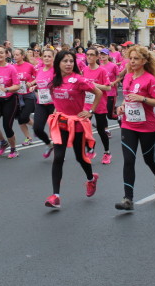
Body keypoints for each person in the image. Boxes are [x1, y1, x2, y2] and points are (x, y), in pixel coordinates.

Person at [44, 50, 102, 209]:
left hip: (77, 124)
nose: (69, 64)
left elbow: (98, 92)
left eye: (71, 61)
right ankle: (56, 196)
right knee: (58, 157)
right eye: (65, 61)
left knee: (80, 157)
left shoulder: (79, 80)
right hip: (61, 124)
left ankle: (91, 179)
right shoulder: (54, 81)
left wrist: (90, 112)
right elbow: (54, 97)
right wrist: (57, 110)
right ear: (58, 63)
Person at [114, 45, 155, 211]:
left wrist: (143, 98)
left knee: (148, 159)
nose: (133, 61)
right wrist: (122, 106)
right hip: (129, 125)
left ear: (144, 61)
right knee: (129, 160)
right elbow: (128, 98)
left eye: (136, 58)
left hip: (148, 127)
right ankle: (128, 199)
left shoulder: (150, 79)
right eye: (131, 58)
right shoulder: (128, 77)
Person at [81, 47, 111, 162]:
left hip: (100, 104)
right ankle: (91, 149)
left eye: (92, 55)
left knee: (100, 130)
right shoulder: (84, 70)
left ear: (97, 57)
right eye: (87, 54)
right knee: (84, 129)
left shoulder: (102, 70)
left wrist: (94, 85)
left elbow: (108, 87)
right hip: (87, 103)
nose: (89, 57)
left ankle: (107, 152)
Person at [28, 48, 56, 158]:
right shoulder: (40, 70)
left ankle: (58, 153)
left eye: (49, 56)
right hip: (41, 102)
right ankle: (49, 145)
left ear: (53, 58)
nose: (47, 58)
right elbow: (41, 82)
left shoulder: (56, 70)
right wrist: (34, 86)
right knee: (37, 128)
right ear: (42, 58)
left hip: (54, 103)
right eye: (45, 56)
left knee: (54, 130)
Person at [13, 49, 37, 146]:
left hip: (28, 95)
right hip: (17, 95)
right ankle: (28, 138)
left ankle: (37, 128)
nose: (15, 56)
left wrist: (31, 83)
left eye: (17, 55)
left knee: (24, 117)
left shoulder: (29, 66)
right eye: (14, 55)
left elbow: (37, 77)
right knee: (20, 119)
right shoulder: (12, 67)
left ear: (22, 56)